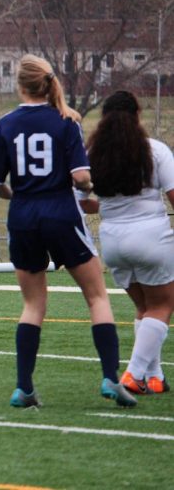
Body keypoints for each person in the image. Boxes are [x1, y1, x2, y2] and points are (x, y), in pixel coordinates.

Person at [0, 54, 135, 408]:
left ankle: (24, 387)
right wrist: (87, 188)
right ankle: (111, 378)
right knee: (97, 296)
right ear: (49, 83)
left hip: (22, 217)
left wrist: (17, 195)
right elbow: (81, 177)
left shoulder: (5, 124)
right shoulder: (66, 120)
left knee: (33, 303)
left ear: (20, 85)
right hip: (60, 213)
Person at [83, 90, 174, 395]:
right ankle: (133, 375)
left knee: (144, 308)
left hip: (112, 241)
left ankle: (155, 376)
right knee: (162, 305)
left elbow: (81, 201)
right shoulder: (155, 150)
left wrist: (107, 208)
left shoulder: (93, 154)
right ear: (137, 116)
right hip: (151, 236)